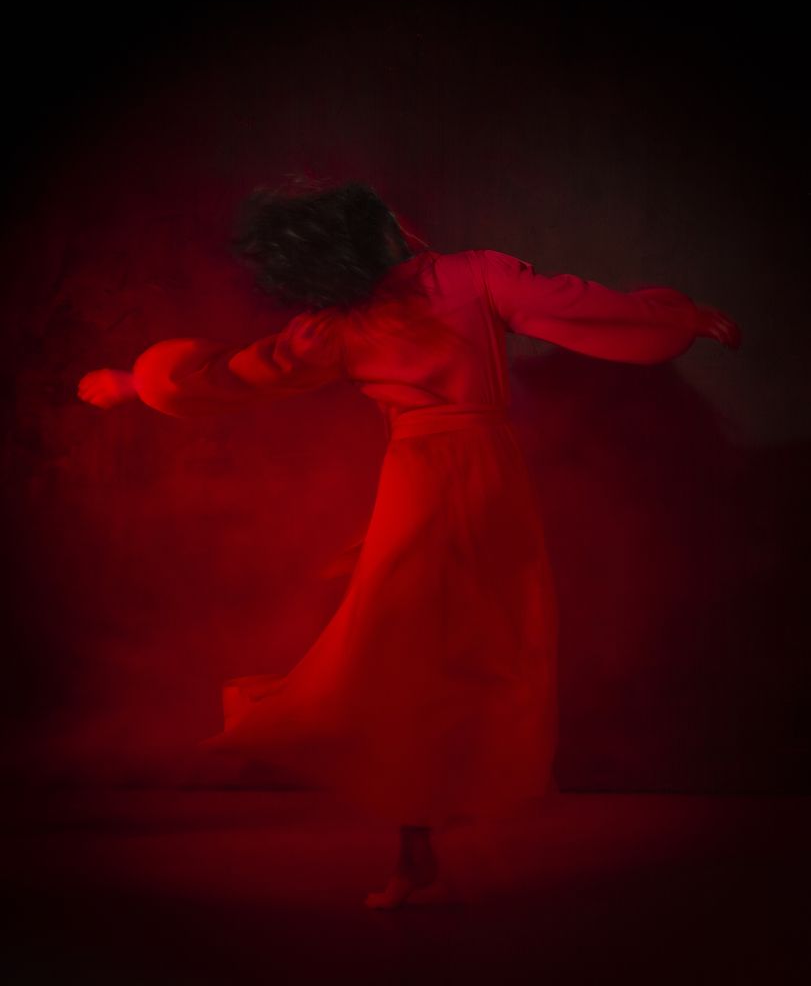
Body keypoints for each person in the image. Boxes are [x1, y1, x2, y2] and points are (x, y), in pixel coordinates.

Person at [77, 180, 741, 909]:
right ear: (379, 233)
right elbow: (573, 303)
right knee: (430, 656)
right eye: (391, 218)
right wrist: (674, 318)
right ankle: (418, 845)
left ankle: (422, 837)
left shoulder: (350, 320)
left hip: (434, 481)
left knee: (422, 658)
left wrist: (138, 383)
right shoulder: (460, 279)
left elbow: (248, 371)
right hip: (474, 479)